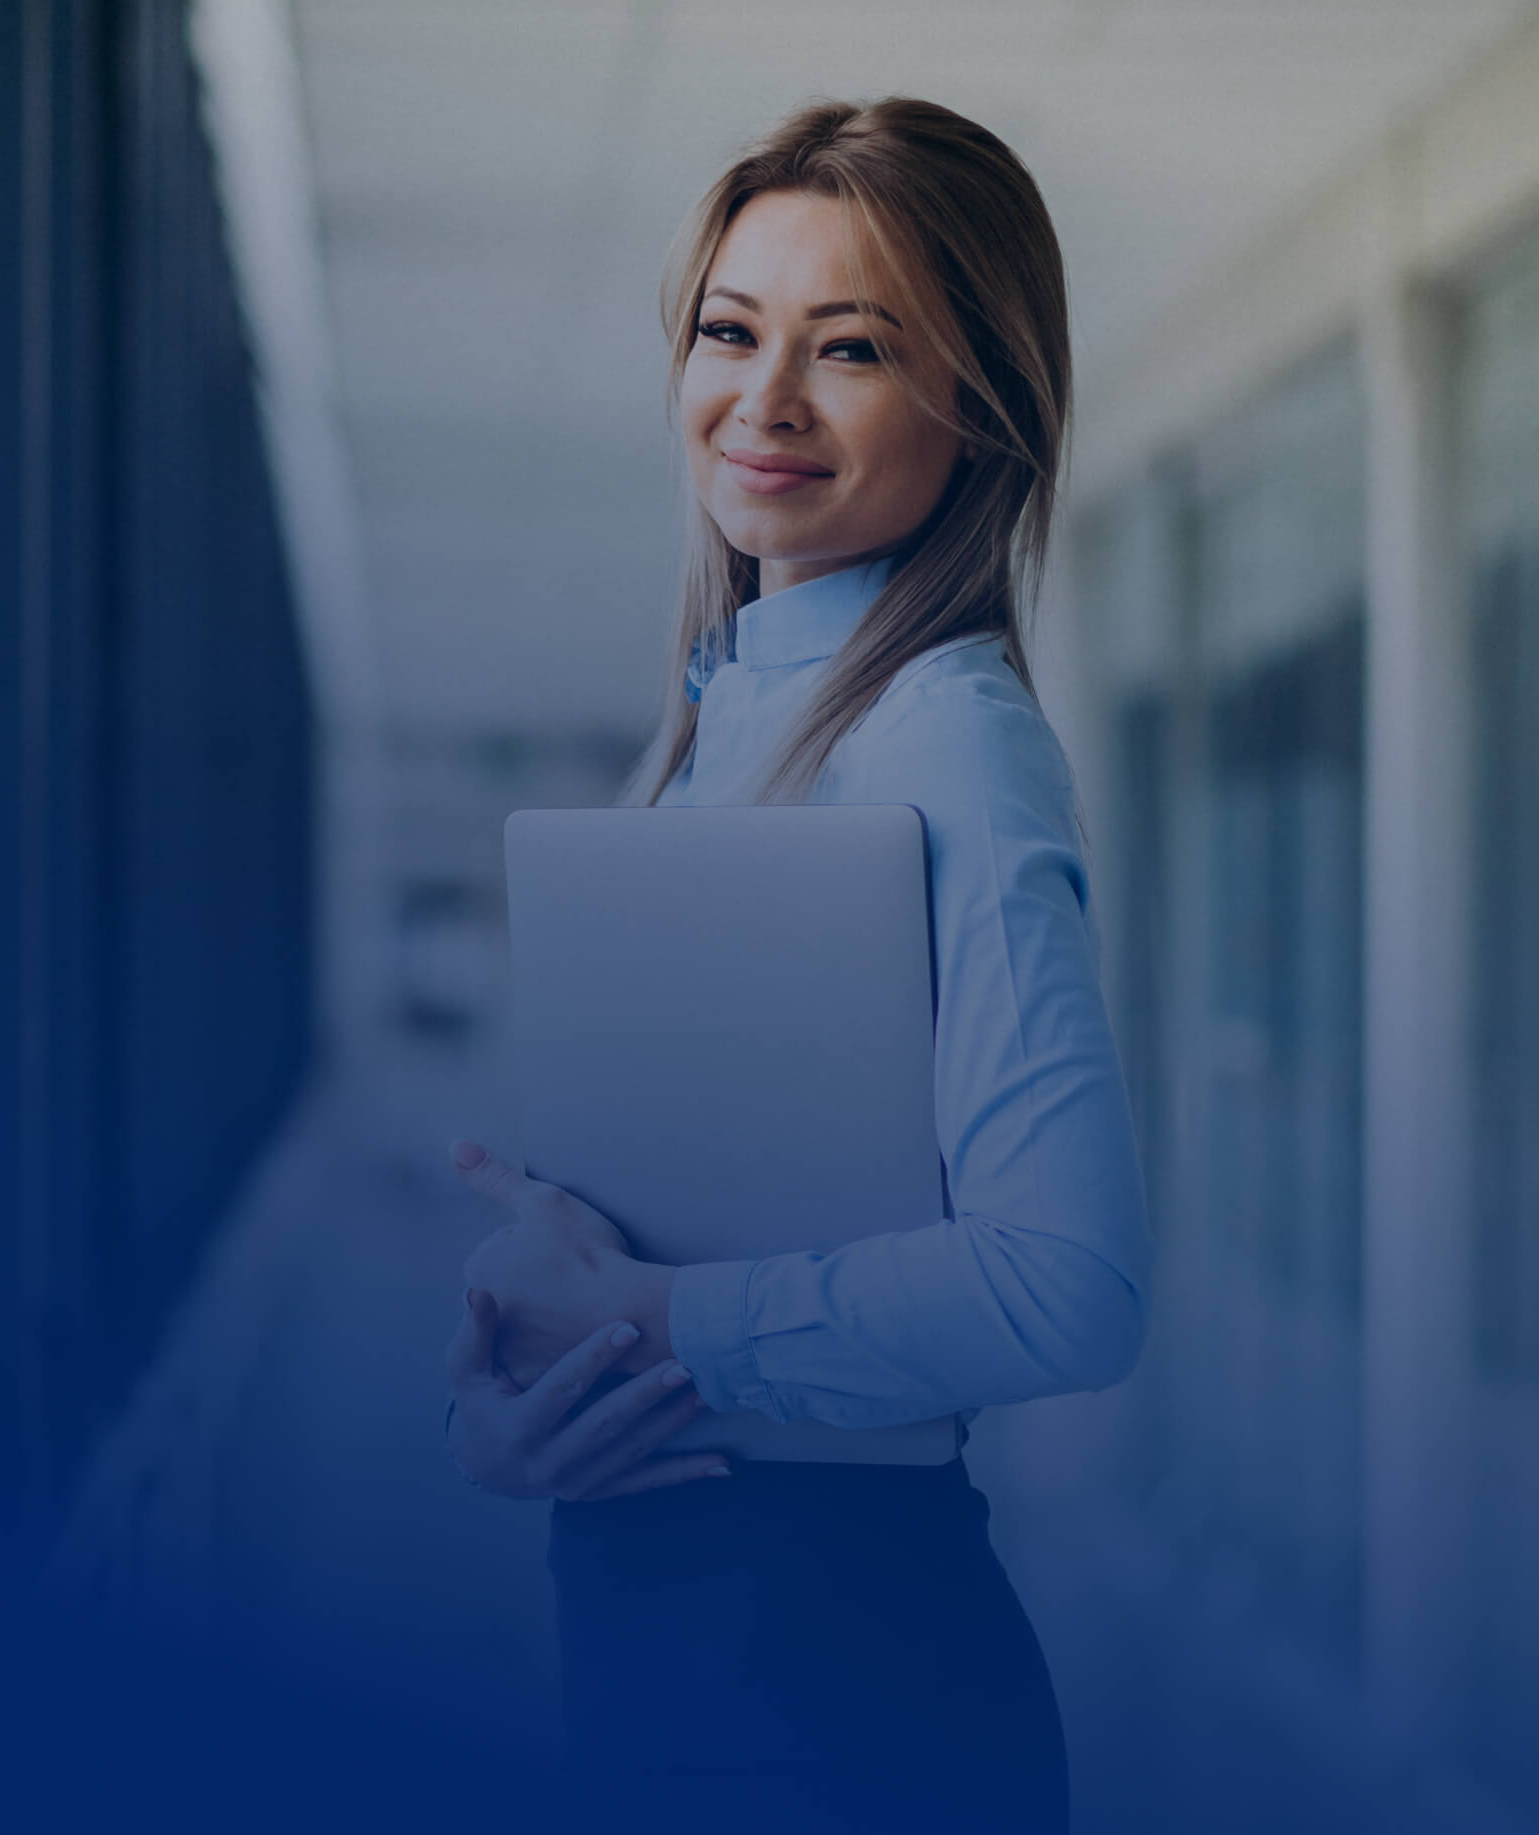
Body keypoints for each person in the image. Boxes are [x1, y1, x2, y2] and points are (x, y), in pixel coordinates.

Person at [442, 95, 1153, 1833]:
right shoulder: (711, 721)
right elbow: (709, 1202)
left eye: (850, 350)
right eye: (728, 331)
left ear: (981, 405)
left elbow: (1069, 1282)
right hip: (663, 1615)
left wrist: (663, 1324)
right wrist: (520, 1402)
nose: (761, 402)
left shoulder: (945, 742)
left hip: (838, 1666)